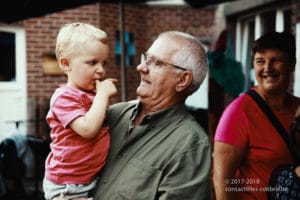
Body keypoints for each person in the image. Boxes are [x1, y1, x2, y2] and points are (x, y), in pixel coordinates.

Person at [92, 31, 211, 200]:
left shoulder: (190, 144)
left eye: (157, 63)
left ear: (183, 80)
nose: (141, 67)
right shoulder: (112, 114)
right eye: (145, 58)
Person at [213, 31, 300, 200]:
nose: (267, 68)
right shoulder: (238, 112)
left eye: (275, 60)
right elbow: (222, 180)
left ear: (292, 65)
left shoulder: (298, 108)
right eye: (260, 61)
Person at [43, 22, 117, 200]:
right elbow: (88, 129)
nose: (101, 70)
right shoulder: (64, 97)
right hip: (68, 185)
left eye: (103, 62)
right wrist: (103, 96)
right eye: (92, 62)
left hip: (90, 179)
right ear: (66, 64)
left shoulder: (93, 95)